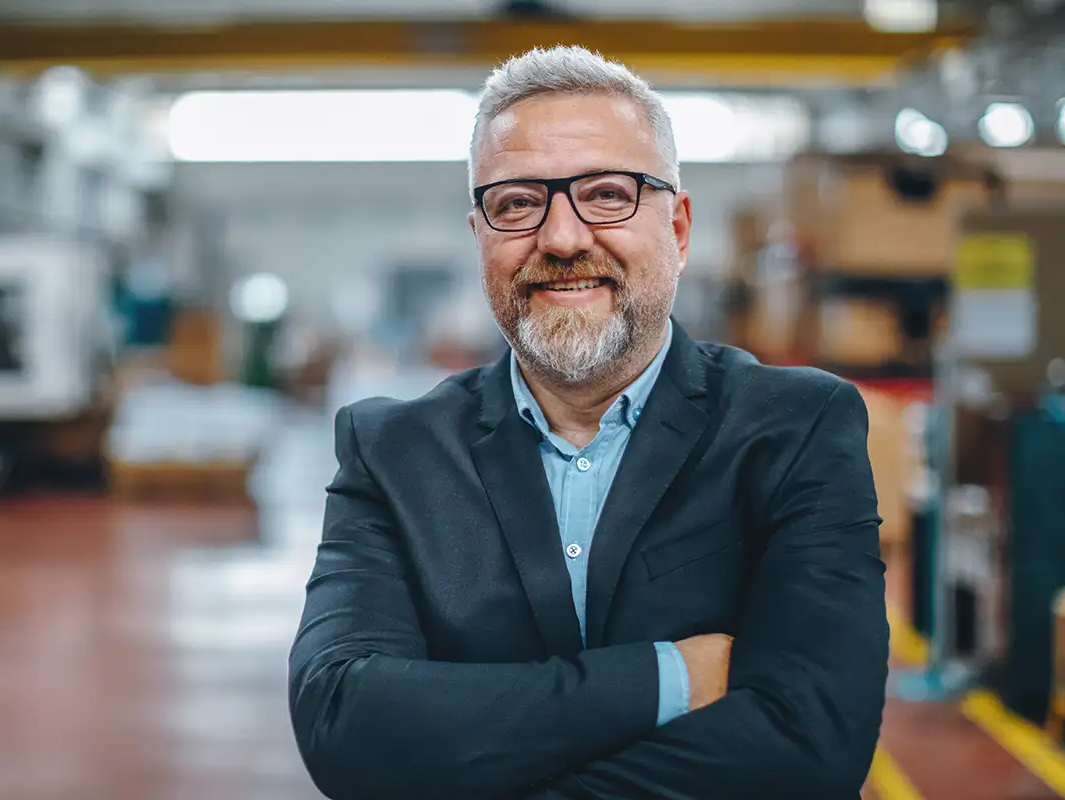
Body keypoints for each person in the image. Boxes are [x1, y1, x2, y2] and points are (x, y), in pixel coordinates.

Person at [289, 45, 889, 799]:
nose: (564, 238)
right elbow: (344, 723)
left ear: (677, 227)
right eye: (516, 203)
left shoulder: (796, 429)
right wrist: (669, 676)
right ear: (480, 235)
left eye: (607, 194)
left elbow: (811, 741)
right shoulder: (392, 452)